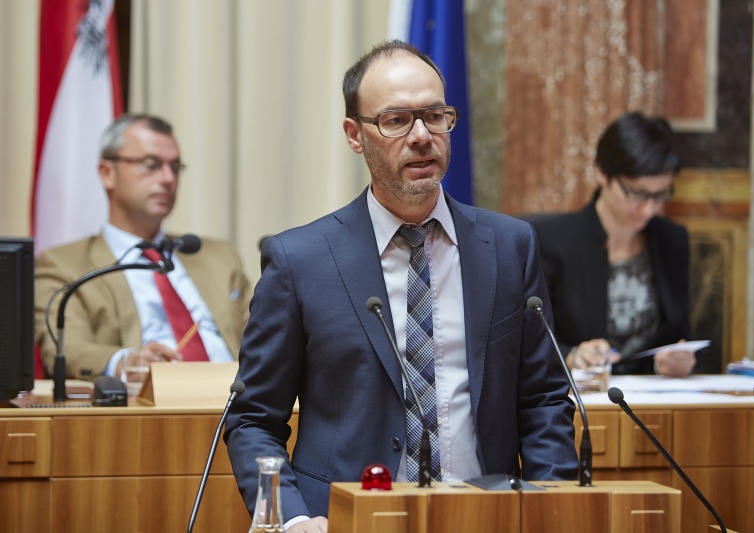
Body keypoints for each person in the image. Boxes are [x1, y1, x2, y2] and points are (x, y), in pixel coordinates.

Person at [225, 40, 578, 533]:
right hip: (343, 522)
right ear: (355, 134)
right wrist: (292, 519)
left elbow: (542, 400)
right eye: (396, 120)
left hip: (485, 517)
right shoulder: (299, 261)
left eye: (435, 116)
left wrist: (552, 508)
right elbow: (252, 420)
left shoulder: (509, 246)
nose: (421, 136)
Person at [35, 113, 250, 379]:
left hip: (237, 402)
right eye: (151, 165)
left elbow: (264, 338)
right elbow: (66, 348)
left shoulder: (218, 256)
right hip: (145, 407)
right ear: (107, 173)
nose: (167, 178)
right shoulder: (64, 264)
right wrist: (126, 362)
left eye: (175, 167)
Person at [525, 111, 695, 377]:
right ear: (602, 174)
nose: (650, 208)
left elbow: (679, 333)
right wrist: (573, 355)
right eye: (637, 193)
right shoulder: (553, 241)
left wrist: (677, 359)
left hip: (653, 395)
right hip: (582, 399)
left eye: (661, 195)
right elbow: (528, 339)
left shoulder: (671, 240)